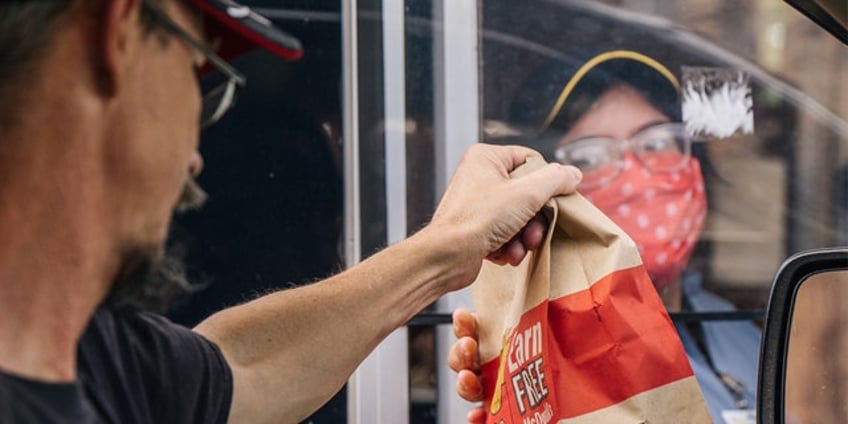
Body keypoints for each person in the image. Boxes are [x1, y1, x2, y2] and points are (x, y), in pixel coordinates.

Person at [0, 1, 584, 422]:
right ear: (121, 31)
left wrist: (445, 250)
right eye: (199, 77)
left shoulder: (98, 358)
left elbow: (242, 366)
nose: (196, 157)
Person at [450, 50, 762, 424]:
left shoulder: (735, 324)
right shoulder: (556, 359)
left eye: (657, 143)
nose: (635, 177)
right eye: (590, 157)